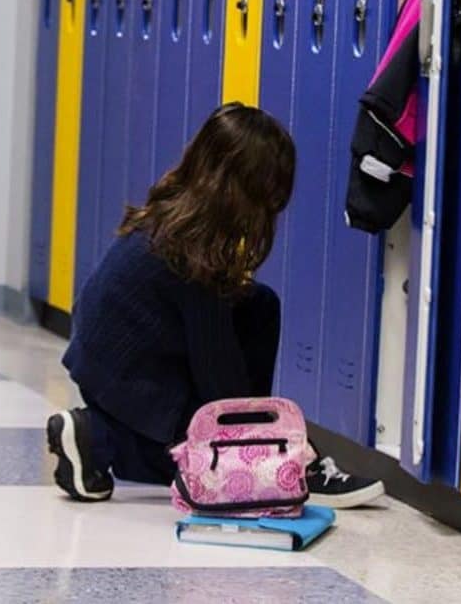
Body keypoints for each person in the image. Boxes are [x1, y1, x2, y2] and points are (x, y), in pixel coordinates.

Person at [46, 103, 384, 509]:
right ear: (243, 190)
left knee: (259, 305)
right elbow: (218, 382)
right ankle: (100, 438)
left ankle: (247, 451)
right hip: (125, 382)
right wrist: (281, 444)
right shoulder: (189, 256)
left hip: (116, 368)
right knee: (190, 461)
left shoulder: (176, 222)